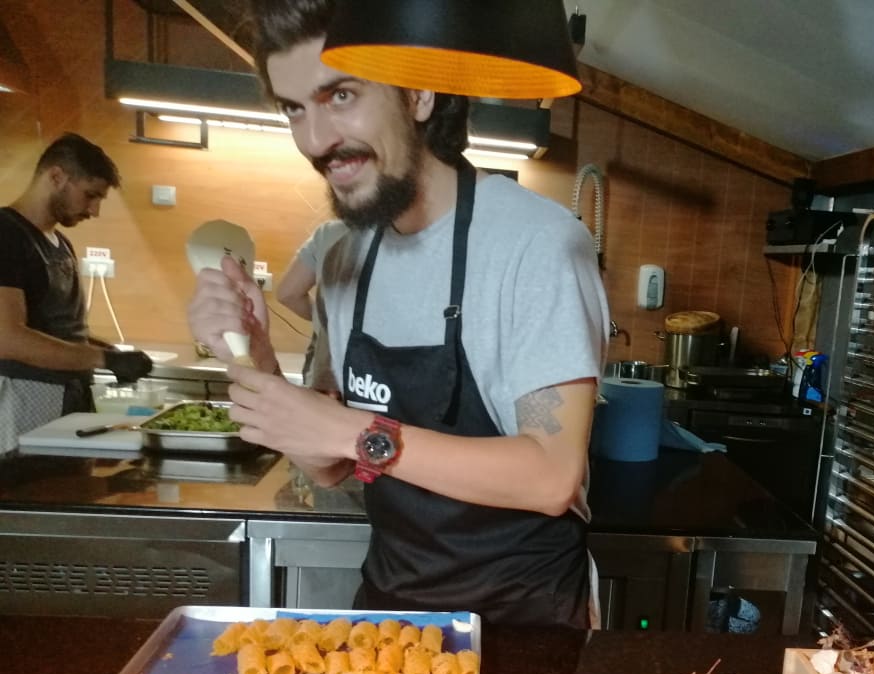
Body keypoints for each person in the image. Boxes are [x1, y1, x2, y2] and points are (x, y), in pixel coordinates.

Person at [187, 0, 610, 628]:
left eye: (340, 96)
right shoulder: (344, 258)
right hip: (392, 616)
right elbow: (329, 466)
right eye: (294, 109)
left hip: (526, 624)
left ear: (418, 94)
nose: (315, 141)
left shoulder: (537, 244)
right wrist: (258, 358)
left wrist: (349, 432)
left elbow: (550, 477)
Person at [0, 133, 153, 451]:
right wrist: (102, 358)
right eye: (90, 195)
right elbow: (7, 337)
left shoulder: (60, 243)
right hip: (23, 397)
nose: (94, 210)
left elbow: (60, 330)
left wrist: (110, 351)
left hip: (68, 393)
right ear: (56, 177)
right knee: (26, 482)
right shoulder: (6, 234)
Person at [275, 218, 346, 383]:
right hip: (385, 382)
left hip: (326, 374)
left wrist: (323, 319)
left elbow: (288, 294)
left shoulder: (331, 233)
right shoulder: (405, 236)